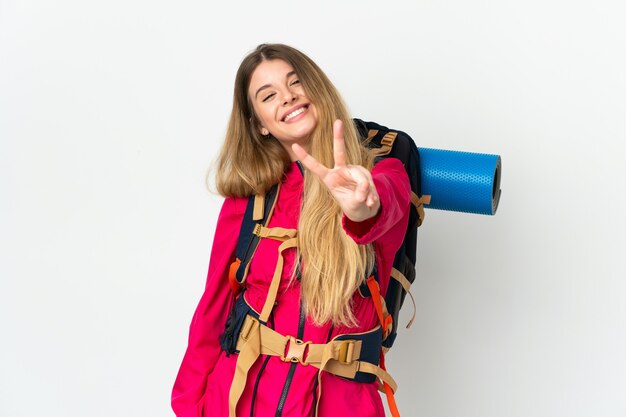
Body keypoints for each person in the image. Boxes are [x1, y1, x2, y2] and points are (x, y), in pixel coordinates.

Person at [171, 43, 412, 417]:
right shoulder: (248, 201)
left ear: (318, 89)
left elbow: (385, 201)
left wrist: (364, 208)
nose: (288, 97)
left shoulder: (382, 175)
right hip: (237, 401)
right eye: (269, 96)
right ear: (260, 125)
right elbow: (213, 310)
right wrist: (187, 407)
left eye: (296, 82)